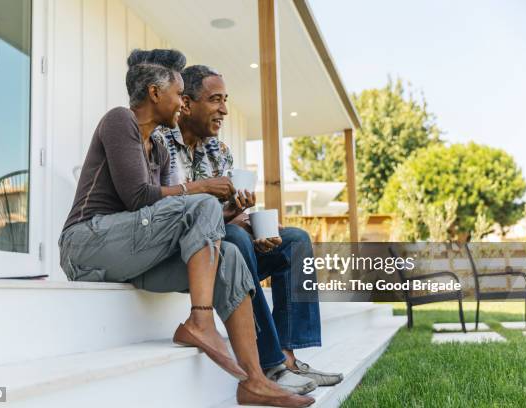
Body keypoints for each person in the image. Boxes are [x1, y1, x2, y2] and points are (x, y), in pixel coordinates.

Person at [58, 49, 314, 408]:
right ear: (154, 93)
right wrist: (204, 188)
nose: (182, 104)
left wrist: (226, 212)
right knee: (203, 202)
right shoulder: (120, 121)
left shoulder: (159, 151)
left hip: (133, 255)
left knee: (228, 258)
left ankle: (255, 380)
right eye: (179, 94)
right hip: (86, 244)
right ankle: (200, 320)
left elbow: (174, 214)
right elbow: (138, 197)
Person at [154, 65, 344, 395]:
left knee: (295, 240)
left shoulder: (220, 150)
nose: (224, 110)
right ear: (186, 102)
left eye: (225, 100)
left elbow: (229, 213)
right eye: (215, 100)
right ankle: (268, 364)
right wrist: (234, 223)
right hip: (187, 253)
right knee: (238, 238)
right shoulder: (160, 144)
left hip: (227, 240)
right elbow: (163, 213)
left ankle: (287, 357)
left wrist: (254, 223)